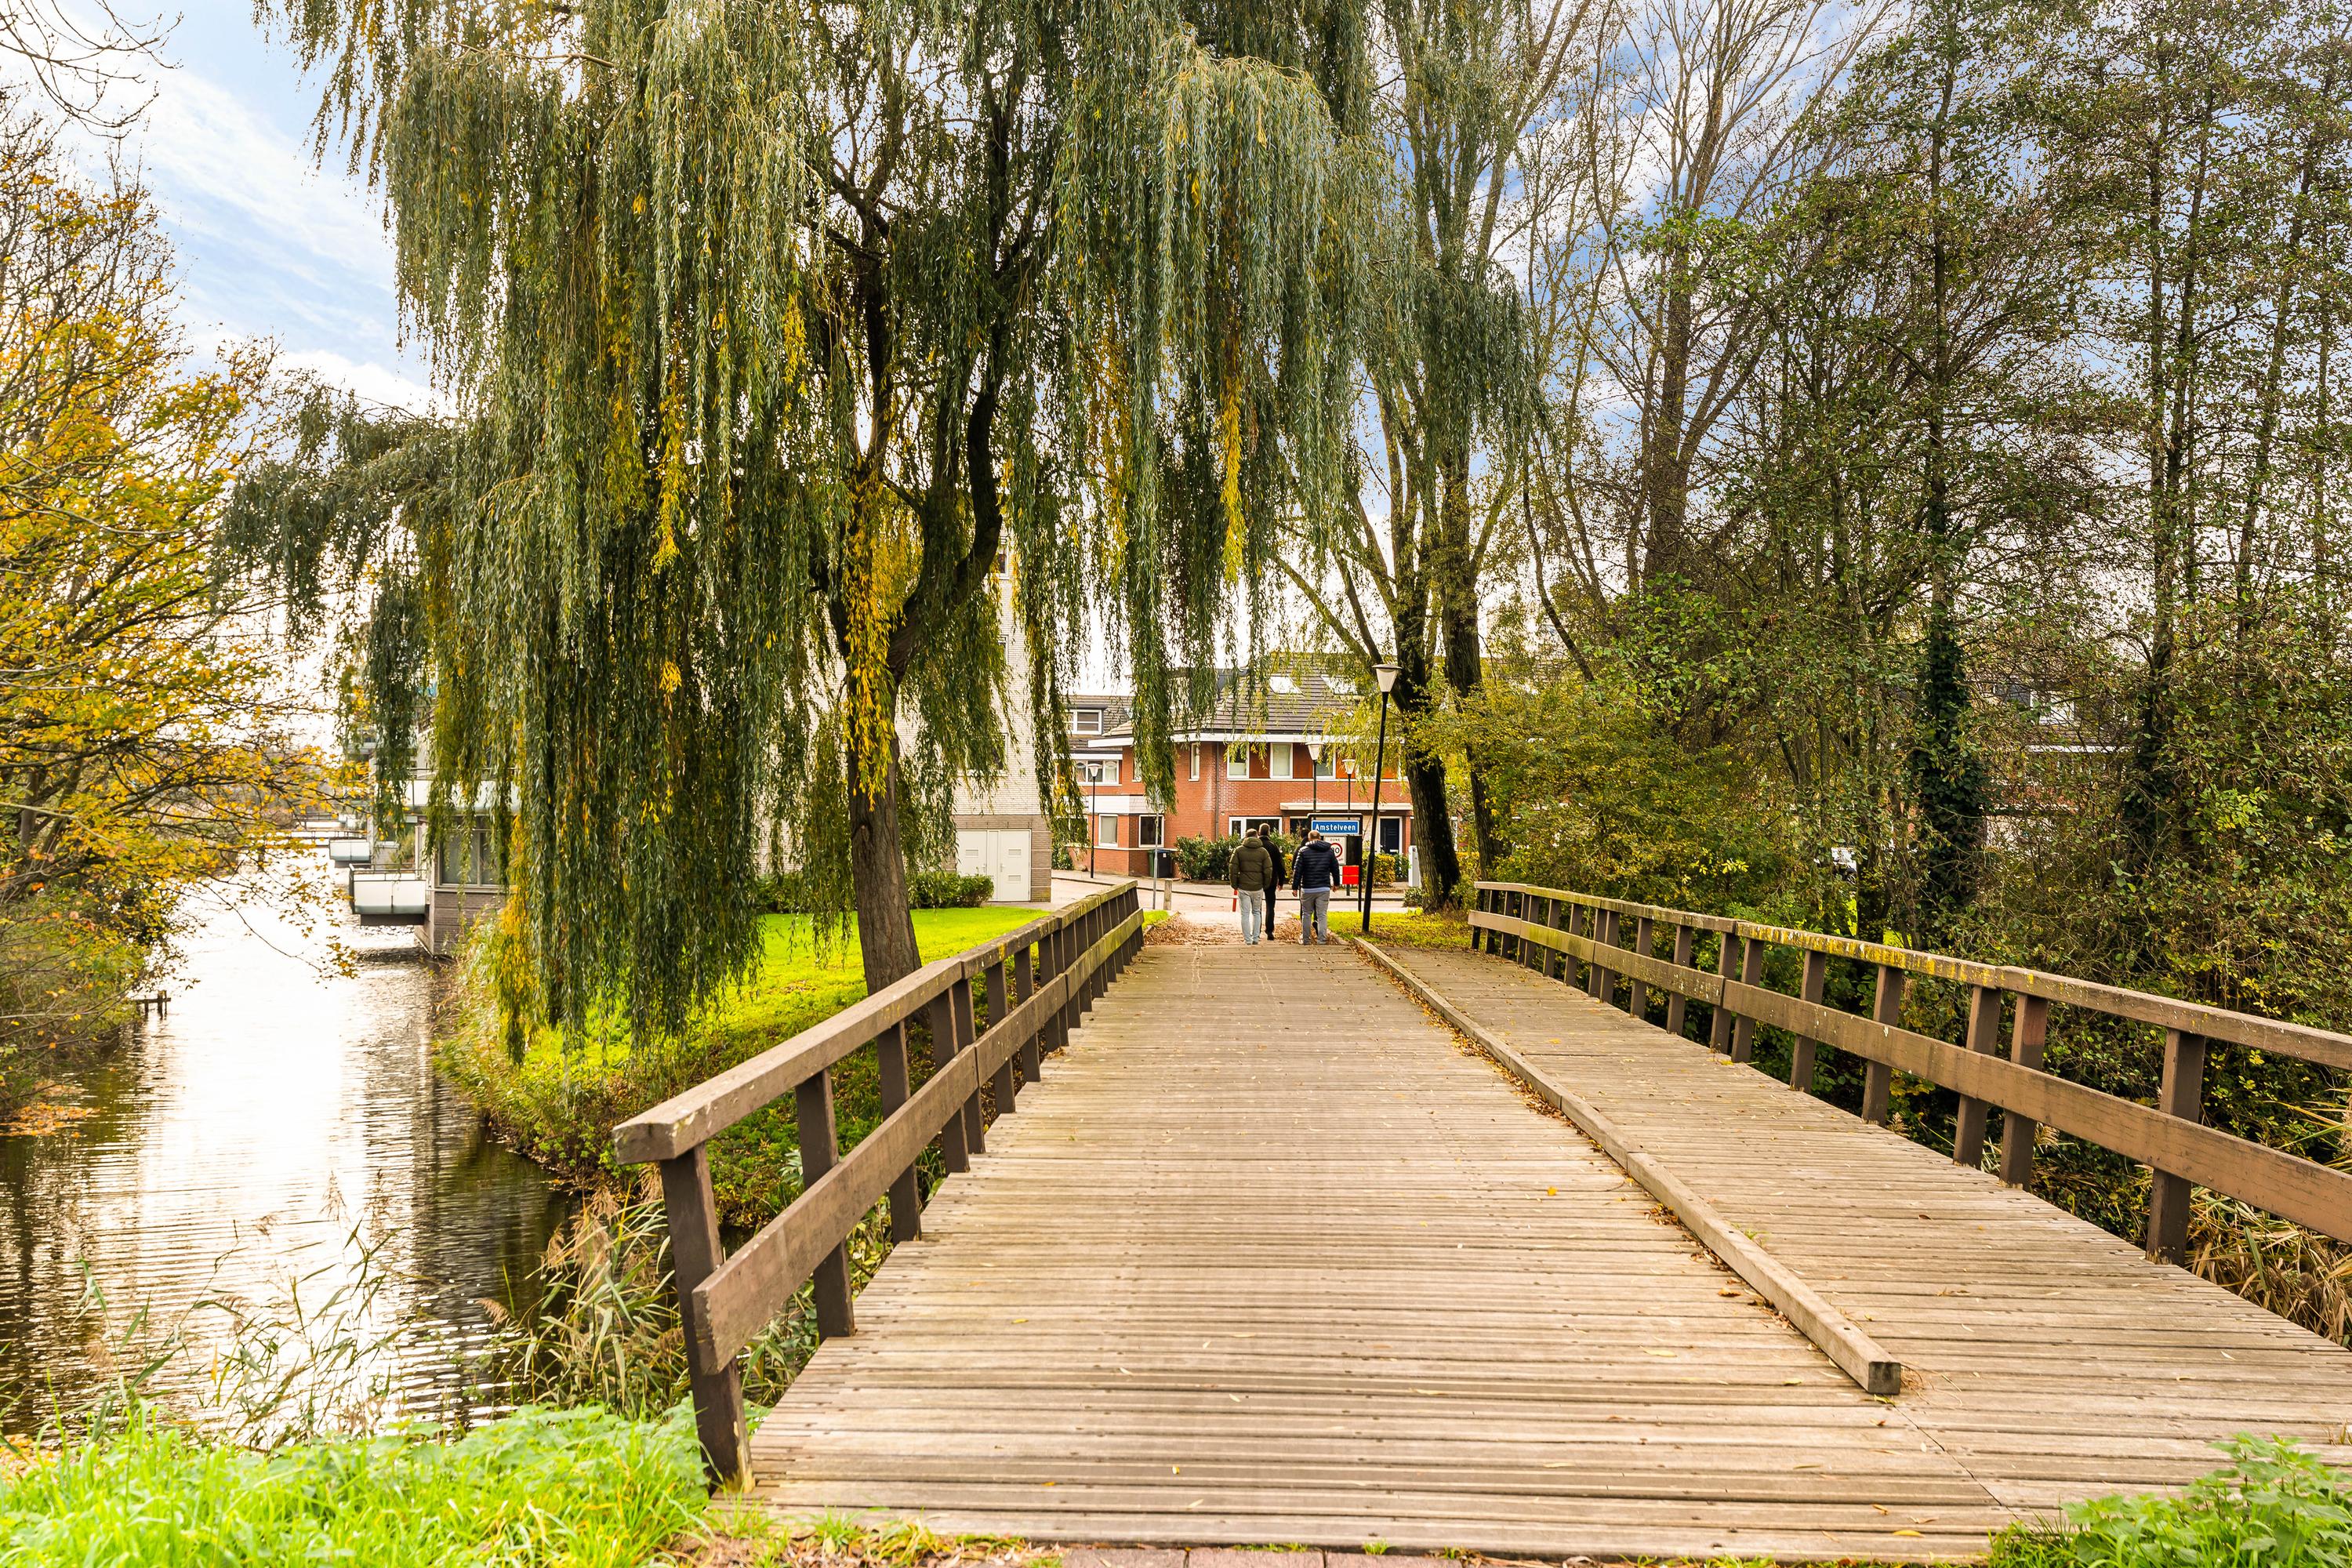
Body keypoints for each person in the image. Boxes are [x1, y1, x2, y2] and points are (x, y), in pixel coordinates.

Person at [1290, 829, 1342, 946]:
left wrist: (1294, 887)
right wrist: (1336, 883)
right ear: (1320, 838)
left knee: (1306, 914)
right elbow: (1335, 868)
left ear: (1309, 839)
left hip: (1307, 887)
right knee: (1322, 915)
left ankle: (1306, 939)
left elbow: (1297, 871)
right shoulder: (1329, 851)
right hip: (1323, 887)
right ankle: (1322, 940)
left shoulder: (1303, 851)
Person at [1229, 826, 1276, 946]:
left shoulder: (1239, 850)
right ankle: (1256, 938)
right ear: (1257, 836)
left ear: (1246, 837)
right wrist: (1265, 884)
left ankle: (1247, 939)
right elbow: (1268, 870)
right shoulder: (1263, 852)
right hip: (1258, 886)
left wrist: (1234, 884)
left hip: (1243, 886)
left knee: (1245, 914)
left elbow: (1233, 868)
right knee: (1256, 912)